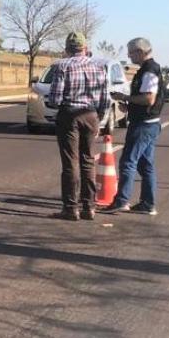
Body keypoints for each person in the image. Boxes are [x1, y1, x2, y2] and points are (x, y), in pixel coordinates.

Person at [48, 32, 110, 221]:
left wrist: (57, 104)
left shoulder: (62, 66)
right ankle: (89, 206)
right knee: (88, 160)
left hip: (69, 115)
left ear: (67, 49)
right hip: (91, 115)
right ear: (85, 48)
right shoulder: (99, 67)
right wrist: (98, 118)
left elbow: (55, 98)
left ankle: (70, 207)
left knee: (70, 162)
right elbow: (105, 99)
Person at [102, 38, 163, 216]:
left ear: (141, 52)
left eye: (131, 52)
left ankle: (122, 201)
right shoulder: (147, 70)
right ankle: (147, 203)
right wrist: (129, 107)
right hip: (148, 123)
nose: (129, 56)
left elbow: (149, 98)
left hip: (144, 125)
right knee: (146, 165)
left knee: (128, 162)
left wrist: (125, 97)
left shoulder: (149, 71)